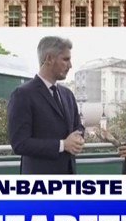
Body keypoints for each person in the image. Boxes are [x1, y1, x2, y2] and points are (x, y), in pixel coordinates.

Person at [7, 36, 85, 174]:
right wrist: (62, 145)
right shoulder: (23, 94)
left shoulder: (68, 94)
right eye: (65, 59)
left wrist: (78, 138)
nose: (70, 65)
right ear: (49, 59)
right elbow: (19, 143)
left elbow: (78, 127)